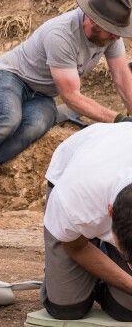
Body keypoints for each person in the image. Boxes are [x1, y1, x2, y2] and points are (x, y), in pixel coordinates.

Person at [0, 0, 132, 207]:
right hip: (7, 77)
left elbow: (122, 77)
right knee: (9, 119)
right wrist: (118, 120)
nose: (116, 37)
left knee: (36, 125)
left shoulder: (109, 36)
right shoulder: (62, 34)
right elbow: (71, 97)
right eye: (112, 31)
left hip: (41, 95)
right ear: (93, 21)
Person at [41, 122, 132, 320]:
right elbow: (76, 248)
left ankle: (104, 275)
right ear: (110, 212)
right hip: (78, 172)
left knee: (127, 309)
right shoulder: (73, 198)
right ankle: (71, 273)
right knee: (67, 308)